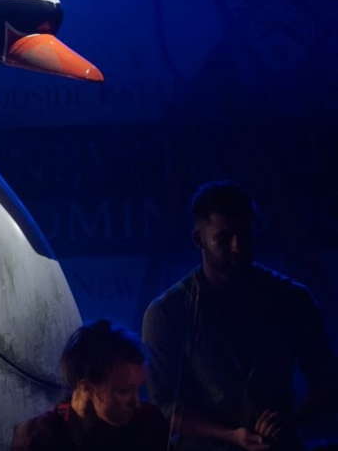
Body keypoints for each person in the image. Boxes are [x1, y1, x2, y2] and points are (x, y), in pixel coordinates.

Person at [142, 181, 338, 451]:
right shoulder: (169, 312)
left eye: (244, 235)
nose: (237, 247)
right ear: (199, 239)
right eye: (224, 238)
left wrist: (290, 421)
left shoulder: (292, 300)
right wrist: (229, 435)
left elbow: (326, 382)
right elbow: (162, 406)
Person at [12, 319, 169, 450]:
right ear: (86, 388)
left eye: (138, 389)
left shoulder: (150, 424)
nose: (136, 403)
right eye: (123, 391)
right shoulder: (38, 438)